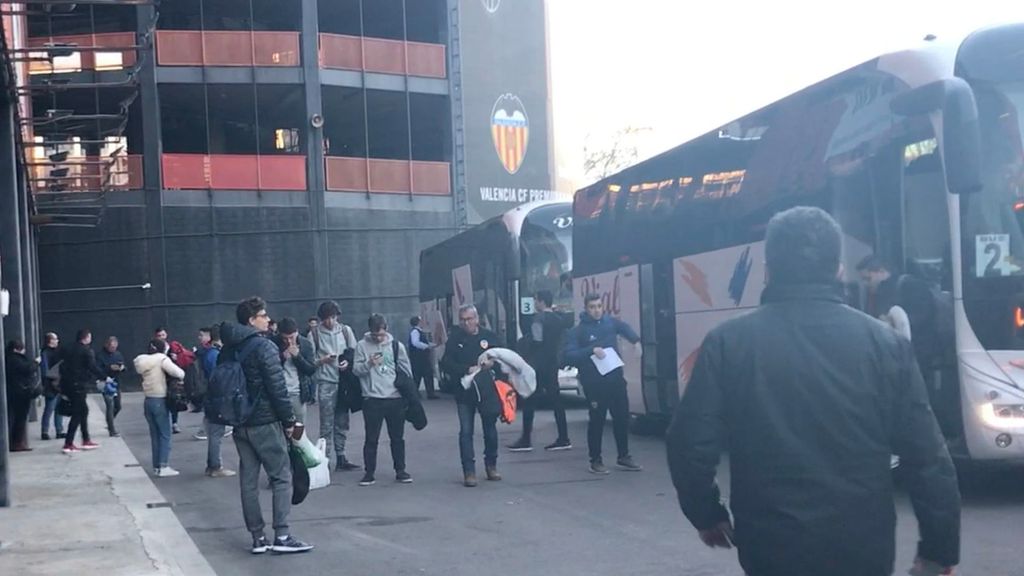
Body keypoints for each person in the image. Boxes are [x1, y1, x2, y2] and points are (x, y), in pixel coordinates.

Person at [666, 207, 960, 576]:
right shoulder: (886, 345)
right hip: (863, 543)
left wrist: (706, 513)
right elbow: (928, 458)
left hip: (769, 541)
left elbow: (690, 443)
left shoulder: (728, 343)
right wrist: (938, 550)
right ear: (838, 269)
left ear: (768, 269)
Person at [221, 296, 312, 555]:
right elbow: (277, 388)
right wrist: (288, 421)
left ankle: (258, 538)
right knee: (281, 476)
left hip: (240, 423)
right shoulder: (264, 347)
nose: (268, 319)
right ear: (252, 320)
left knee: (248, 481)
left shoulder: (228, 347)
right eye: (263, 315)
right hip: (265, 421)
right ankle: (282, 535)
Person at [563, 294, 642, 474]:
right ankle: (595, 460)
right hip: (594, 382)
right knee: (597, 420)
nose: (596, 310)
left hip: (615, 378)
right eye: (592, 307)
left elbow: (625, 328)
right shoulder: (578, 331)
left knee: (621, 418)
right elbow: (569, 355)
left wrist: (636, 341)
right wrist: (591, 350)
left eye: (599, 306)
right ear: (586, 309)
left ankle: (624, 455)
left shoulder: (610, 323)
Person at [441, 304, 505, 487]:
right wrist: (466, 369)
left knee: (490, 431)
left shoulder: (489, 337)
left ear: (477, 319)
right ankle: (469, 471)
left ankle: (491, 465)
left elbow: (504, 358)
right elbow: (446, 363)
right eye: (463, 320)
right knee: (466, 432)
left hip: (486, 391)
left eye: (469, 319)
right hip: (464, 392)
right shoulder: (455, 339)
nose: (466, 322)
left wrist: (492, 366)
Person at [353, 314, 414, 486]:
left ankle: (400, 470)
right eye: (374, 335)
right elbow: (356, 370)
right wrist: (369, 364)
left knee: (397, 437)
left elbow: (406, 370)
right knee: (371, 438)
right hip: (372, 399)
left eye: (380, 334)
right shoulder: (361, 346)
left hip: (395, 397)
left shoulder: (396, 346)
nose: (378, 338)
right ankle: (369, 472)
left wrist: (408, 392)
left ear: (386, 329)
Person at [509, 290, 571, 452]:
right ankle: (563, 437)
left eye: (536, 300)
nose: (535, 303)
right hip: (552, 364)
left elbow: (537, 340)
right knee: (556, 401)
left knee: (529, 399)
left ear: (542, 302)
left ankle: (526, 439)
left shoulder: (539, 318)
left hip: (538, 364)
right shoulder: (559, 319)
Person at [310, 300, 361, 471]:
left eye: (332, 317)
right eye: (326, 319)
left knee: (342, 420)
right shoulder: (315, 334)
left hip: (344, 381)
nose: (330, 322)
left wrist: (347, 362)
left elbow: (353, 353)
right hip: (326, 382)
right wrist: (322, 361)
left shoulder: (346, 331)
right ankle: (324, 459)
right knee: (326, 423)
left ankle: (341, 456)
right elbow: (310, 362)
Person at [135, 339, 186, 477]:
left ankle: (157, 466)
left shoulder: (143, 361)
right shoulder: (162, 359)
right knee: (165, 434)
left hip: (148, 400)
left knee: (155, 435)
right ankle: (163, 465)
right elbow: (179, 373)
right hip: (160, 399)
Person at [196, 325, 236, 478]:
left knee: (214, 432)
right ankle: (215, 466)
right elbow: (218, 378)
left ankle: (212, 465)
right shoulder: (214, 355)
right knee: (216, 434)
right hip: (216, 398)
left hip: (210, 397)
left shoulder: (209, 353)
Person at [60, 329, 106, 454]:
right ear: (86, 338)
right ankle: (68, 443)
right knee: (78, 413)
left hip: (68, 384)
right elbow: (92, 366)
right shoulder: (86, 350)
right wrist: (104, 376)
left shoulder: (68, 348)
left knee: (83, 411)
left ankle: (86, 439)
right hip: (79, 385)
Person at [275, 317, 317, 424]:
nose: (288, 341)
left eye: (291, 337)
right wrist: (282, 357)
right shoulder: (272, 343)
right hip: (279, 393)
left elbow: (311, 369)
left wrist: (297, 357)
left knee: (299, 430)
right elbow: (269, 368)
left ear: (297, 332)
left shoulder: (305, 344)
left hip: (298, 393)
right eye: (285, 338)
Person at [6, 339, 39, 452]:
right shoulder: (16, 360)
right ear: (17, 349)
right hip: (20, 392)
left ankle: (16, 442)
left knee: (14, 417)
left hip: (13, 391)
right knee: (20, 418)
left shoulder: (7, 358)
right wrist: (35, 363)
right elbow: (27, 369)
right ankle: (17, 443)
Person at [96, 336, 126, 437]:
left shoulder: (118, 354)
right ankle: (112, 430)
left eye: (114, 347)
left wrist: (121, 367)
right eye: (111, 346)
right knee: (110, 405)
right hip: (105, 382)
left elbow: (123, 365)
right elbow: (97, 369)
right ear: (106, 345)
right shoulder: (100, 355)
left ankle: (110, 422)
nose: (113, 348)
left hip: (116, 382)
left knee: (118, 406)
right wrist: (109, 368)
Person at [39, 332, 64, 441]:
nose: (57, 341)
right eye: (55, 339)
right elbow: (45, 371)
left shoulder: (48, 352)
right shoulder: (45, 353)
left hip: (55, 384)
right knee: (50, 408)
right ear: (50, 341)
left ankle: (57, 430)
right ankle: (46, 431)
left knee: (56, 408)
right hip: (52, 384)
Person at [408, 316, 437, 399]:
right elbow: (416, 343)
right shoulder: (415, 332)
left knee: (423, 375)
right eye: (421, 321)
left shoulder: (418, 331)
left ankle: (427, 393)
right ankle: (417, 393)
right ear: (418, 322)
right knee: (420, 375)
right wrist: (426, 346)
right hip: (418, 358)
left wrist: (431, 345)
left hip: (420, 358)